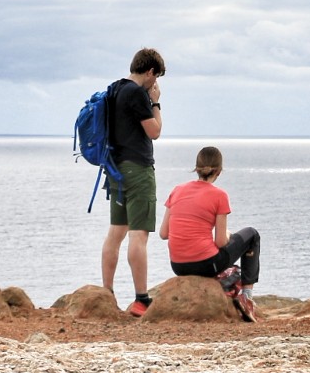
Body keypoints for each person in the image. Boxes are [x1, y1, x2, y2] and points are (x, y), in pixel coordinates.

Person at [160, 145, 261, 322]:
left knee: (224, 259)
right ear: (219, 171)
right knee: (252, 235)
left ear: (196, 168)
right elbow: (221, 242)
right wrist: (229, 235)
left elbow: (163, 233)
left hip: (178, 265)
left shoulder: (177, 190)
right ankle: (247, 296)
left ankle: (229, 281)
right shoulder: (219, 195)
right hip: (206, 265)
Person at [100, 47, 165, 318]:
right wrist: (156, 102)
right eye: (156, 76)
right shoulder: (138, 93)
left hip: (115, 169)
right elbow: (155, 131)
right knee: (139, 235)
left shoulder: (114, 89)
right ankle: (141, 299)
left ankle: (107, 294)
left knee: (115, 233)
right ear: (149, 71)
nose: (156, 82)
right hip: (138, 169)